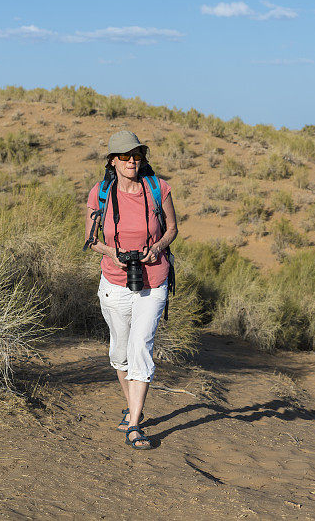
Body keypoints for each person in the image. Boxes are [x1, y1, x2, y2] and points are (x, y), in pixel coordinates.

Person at [84, 130, 178, 450]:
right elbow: (91, 239)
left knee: (141, 347)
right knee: (120, 353)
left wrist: (158, 247)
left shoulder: (157, 188)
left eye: (137, 156)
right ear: (113, 160)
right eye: (125, 157)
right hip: (114, 281)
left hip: (153, 279)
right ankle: (132, 405)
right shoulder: (100, 193)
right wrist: (113, 254)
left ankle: (135, 424)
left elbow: (173, 228)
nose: (132, 162)